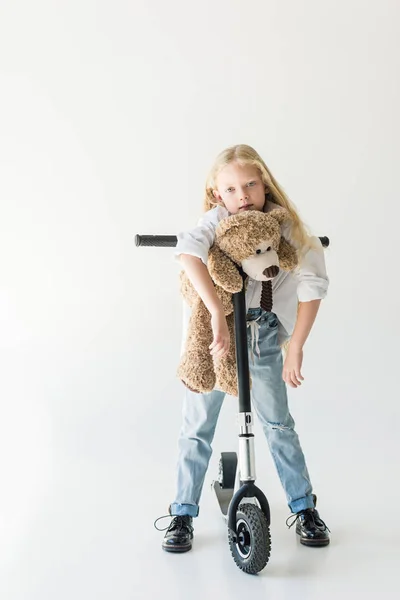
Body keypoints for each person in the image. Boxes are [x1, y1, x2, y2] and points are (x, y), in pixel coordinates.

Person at [154, 144, 330, 552]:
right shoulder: (214, 223)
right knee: (197, 426)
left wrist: (297, 347)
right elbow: (188, 252)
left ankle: (304, 507)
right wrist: (216, 311)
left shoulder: (285, 228)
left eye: (250, 185)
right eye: (230, 189)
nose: (242, 196)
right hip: (215, 340)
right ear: (217, 194)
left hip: (262, 334)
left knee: (278, 423)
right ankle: (182, 513)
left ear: (264, 184)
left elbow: (312, 285)